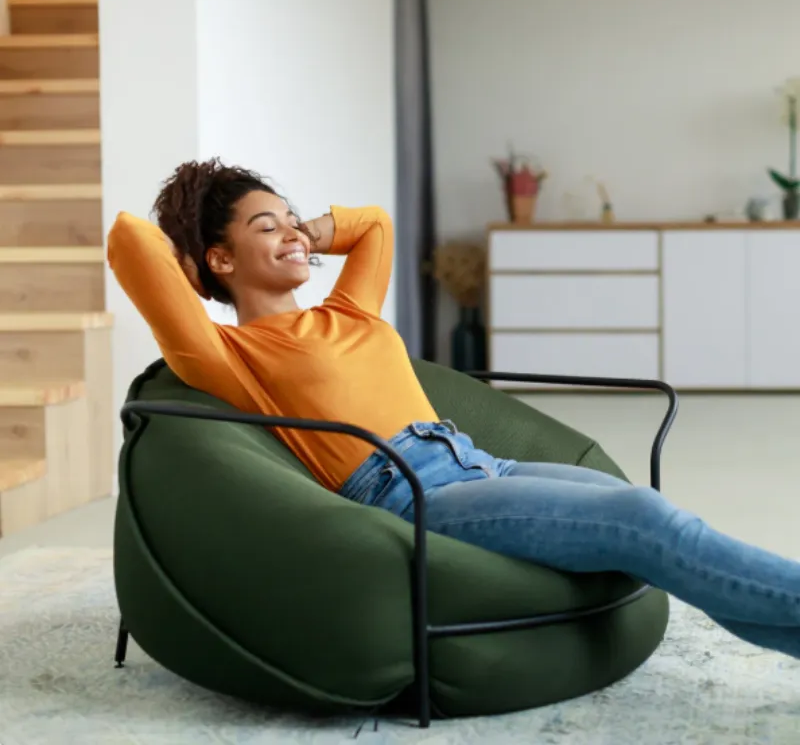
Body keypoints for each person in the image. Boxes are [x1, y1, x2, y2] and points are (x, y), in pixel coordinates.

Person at [108, 158, 800, 660]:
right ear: (220, 260)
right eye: (268, 227)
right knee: (644, 520)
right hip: (411, 493)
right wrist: (195, 255)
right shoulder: (227, 355)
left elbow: (374, 225)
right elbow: (130, 241)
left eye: (294, 221)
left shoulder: (347, 312)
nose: (292, 235)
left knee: (663, 528)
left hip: (481, 463)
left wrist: (306, 231)